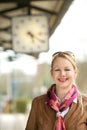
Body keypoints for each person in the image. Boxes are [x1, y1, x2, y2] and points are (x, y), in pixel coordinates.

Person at [25, 51, 87, 130]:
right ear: (52, 73)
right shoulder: (38, 104)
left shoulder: (85, 104)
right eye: (57, 70)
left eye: (67, 69)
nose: (62, 74)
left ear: (75, 73)